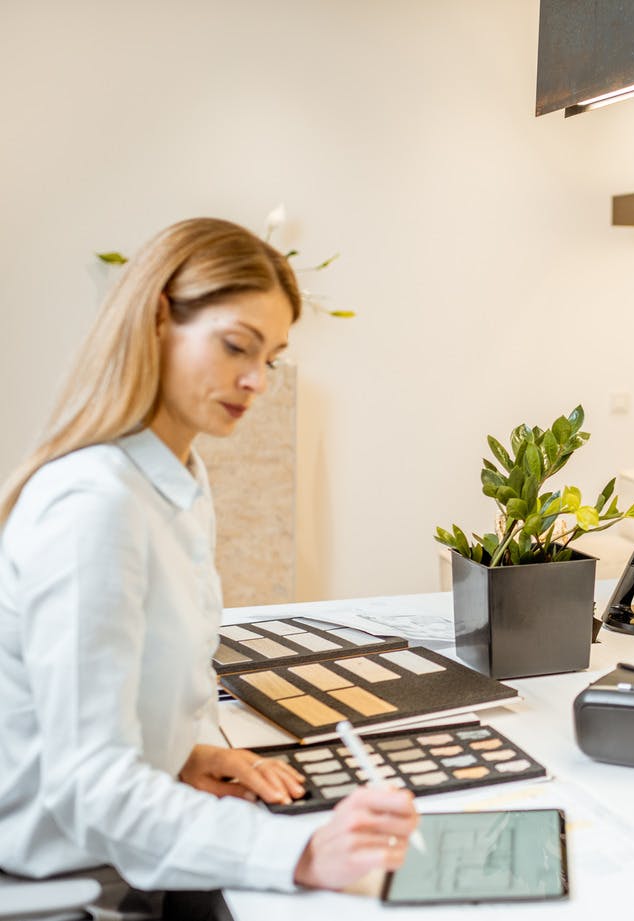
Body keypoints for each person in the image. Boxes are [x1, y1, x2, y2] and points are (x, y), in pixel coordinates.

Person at [0, 218, 418, 912]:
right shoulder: (93, 504)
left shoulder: (176, 478)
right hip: (71, 888)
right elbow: (89, 785)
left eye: (271, 358)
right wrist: (305, 852)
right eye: (235, 347)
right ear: (158, 316)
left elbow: (102, 701)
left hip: (125, 859)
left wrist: (183, 754)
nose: (256, 381)